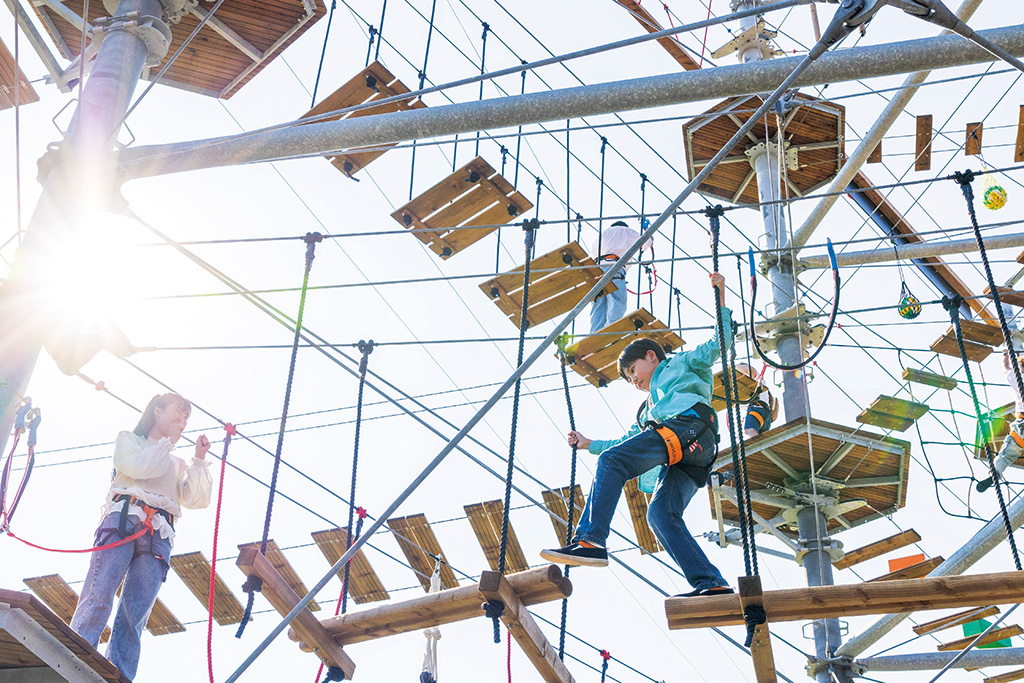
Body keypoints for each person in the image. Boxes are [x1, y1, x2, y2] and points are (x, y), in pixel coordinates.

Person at [541, 272, 733, 597]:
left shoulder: (682, 364)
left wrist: (720, 296)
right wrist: (589, 444)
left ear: (651, 356)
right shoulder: (648, 412)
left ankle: (590, 539)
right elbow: (624, 447)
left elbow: (720, 343)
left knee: (614, 462)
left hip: (690, 426)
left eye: (632, 371)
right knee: (659, 514)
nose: (633, 381)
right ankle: (710, 583)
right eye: (629, 379)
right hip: (685, 455)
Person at [71, 393, 212, 679]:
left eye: (186, 417)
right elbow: (142, 468)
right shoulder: (131, 441)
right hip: (124, 520)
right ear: (156, 411)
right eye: (178, 412)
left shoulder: (176, 462)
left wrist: (198, 459)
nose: (182, 420)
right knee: (99, 596)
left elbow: (196, 499)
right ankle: (73, 663)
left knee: (134, 615)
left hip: (159, 533)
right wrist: (168, 443)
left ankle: (120, 676)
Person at [589, 220, 651, 334]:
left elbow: (592, 255)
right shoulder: (628, 232)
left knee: (598, 305)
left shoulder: (602, 234)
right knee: (618, 303)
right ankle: (611, 332)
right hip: (615, 267)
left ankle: (595, 335)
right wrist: (648, 234)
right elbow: (646, 242)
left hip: (598, 269)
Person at [978, 350, 1024, 492]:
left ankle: (995, 473)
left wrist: (1005, 352)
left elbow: (1006, 367)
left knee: (1006, 455)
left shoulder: (1019, 378)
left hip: (1022, 429)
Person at [734, 363, 779, 440]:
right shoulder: (738, 393)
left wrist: (733, 368)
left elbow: (750, 370)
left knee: (749, 432)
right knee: (753, 435)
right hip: (761, 415)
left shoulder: (753, 379)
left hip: (757, 411)